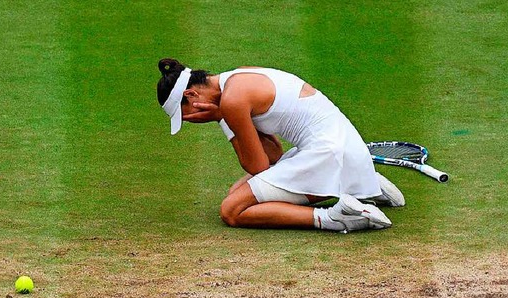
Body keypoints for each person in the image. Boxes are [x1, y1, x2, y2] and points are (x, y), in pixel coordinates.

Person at [156, 58, 405, 233]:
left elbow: (258, 165)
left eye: (185, 114)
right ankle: (361, 181)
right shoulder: (239, 77)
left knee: (232, 210)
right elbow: (274, 154)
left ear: (191, 96)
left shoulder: (232, 101)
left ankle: (334, 218)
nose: (192, 121)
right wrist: (224, 114)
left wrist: (222, 118)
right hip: (342, 148)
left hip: (329, 154)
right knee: (237, 193)